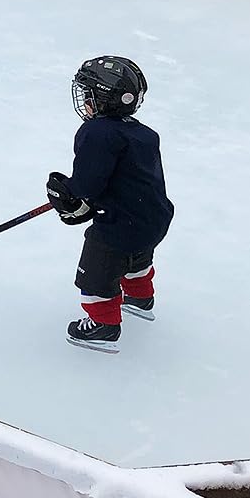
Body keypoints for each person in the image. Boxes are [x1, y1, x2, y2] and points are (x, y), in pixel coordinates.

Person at [46, 56, 174, 354]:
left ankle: (104, 326)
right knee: (136, 261)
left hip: (120, 225)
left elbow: (88, 185)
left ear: (103, 99)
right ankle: (141, 299)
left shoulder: (97, 133)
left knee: (97, 271)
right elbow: (127, 177)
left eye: (88, 94)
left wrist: (68, 195)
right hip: (152, 218)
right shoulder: (143, 133)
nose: (84, 100)